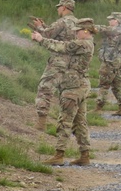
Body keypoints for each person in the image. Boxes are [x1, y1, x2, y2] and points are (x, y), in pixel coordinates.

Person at [31, 17, 97, 166]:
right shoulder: (87, 43)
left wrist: (41, 39)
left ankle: (59, 154)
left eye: (78, 31)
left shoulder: (83, 44)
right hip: (79, 86)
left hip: (73, 88)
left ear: (86, 31)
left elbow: (62, 47)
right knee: (79, 122)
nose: (76, 34)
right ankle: (84, 155)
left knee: (65, 121)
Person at [30, 0, 78, 132]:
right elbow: (59, 35)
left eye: (59, 7)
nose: (57, 9)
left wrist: (39, 27)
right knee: (68, 93)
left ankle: (41, 123)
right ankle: (69, 126)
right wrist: (43, 26)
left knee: (45, 88)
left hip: (59, 61)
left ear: (64, 8)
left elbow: (48, 34)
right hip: (73, 63)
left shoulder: (62, 21)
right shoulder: (77, 22)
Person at [96, 11, 121, 116]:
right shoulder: (119, 30)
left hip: (110, 61)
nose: (109, 21)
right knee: (117, 84)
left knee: (104, 84)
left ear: (117, 21)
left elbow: (103, 29)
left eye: (112, 19)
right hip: (117, 61)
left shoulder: (116, 30)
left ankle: (98, 107)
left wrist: (89, 27)